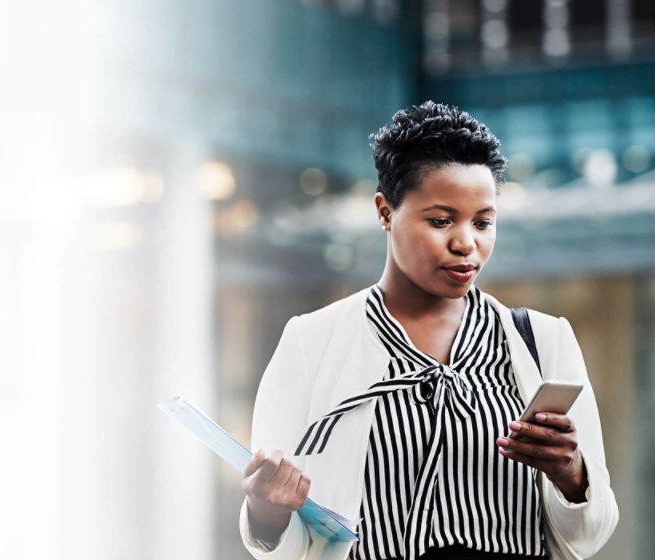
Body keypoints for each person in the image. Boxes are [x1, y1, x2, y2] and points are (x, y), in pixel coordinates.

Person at [238, 101, 618, 560]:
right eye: (441, 221)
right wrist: (267, 510)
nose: (466, 243)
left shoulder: (543, 341)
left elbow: (590, 536)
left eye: (483, 222)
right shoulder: (310, 343)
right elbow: (288, 543)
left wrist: (571, 473)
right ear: (385, 211)